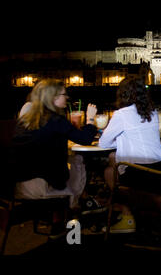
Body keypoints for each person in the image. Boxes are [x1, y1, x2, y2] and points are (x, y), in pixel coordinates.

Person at [12, 79, 98, 210]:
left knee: (66, 161)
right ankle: (75, 205)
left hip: (18, 184)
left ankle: (61, 215)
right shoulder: (55, 120)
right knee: (79, 159)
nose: (67, 97)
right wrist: (90, 119)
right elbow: (85, 139)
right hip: (42, 186)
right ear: (53, 97)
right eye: (64, 94)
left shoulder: (24, 119)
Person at [99, 76, 161, 233]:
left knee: (109, 172)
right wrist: (123, 140)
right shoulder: (152, 112)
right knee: (112, 158)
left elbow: (103, 143)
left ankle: (127, 215)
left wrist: (118, 140)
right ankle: (117, 205)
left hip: (144, 176)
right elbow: (139, 137)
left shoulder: (122, 114)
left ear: (123, 94)